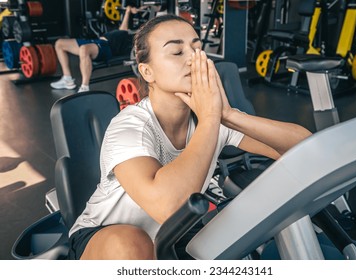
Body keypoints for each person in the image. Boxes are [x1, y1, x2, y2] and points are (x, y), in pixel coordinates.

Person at [67, 14, 312, 260]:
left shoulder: (210, 118)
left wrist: (227, 116)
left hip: (174, 236)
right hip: (105, 239)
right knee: (131, 243)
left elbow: (307, 149)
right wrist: (209, 120)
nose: (194, 60)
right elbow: (167, 207)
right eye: (177, 52)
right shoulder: (129, 126)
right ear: (147, 71)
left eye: (197, 49)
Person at [50, 6, 137, 93]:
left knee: (83, 49)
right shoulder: (123, 32)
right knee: (59, 43)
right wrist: (128, 11)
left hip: (106, 47)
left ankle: (84, 87)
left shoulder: (131, 38)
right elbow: (123, 28)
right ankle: (67, 79)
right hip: (96, 41)